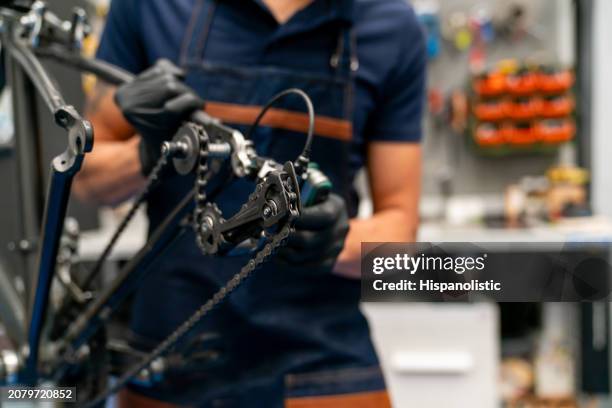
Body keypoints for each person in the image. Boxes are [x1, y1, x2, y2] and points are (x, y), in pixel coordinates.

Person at [74, 0, 425, 406]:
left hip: (323, 363)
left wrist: (338, 240)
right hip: (170, 356)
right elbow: (86, 181)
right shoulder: (151, 7)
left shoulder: (391, 26)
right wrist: (152, 152)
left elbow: (402, 237)